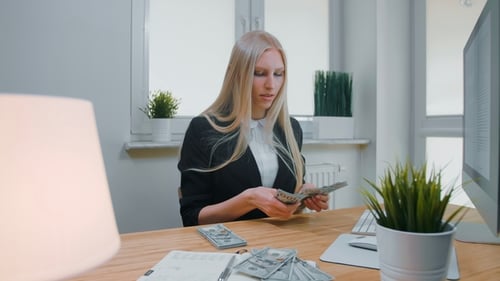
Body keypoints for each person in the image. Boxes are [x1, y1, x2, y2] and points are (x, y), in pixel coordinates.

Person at [177, 30, 329, 226]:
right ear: (236, 75)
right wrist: (248, 199)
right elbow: (192, 217)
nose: (271, 85)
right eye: (259, 73)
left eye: (278, 74)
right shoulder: (203, 129)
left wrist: (304, 194)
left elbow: (285, 200)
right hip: (228, 248)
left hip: (281, 244)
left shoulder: (290, 129)